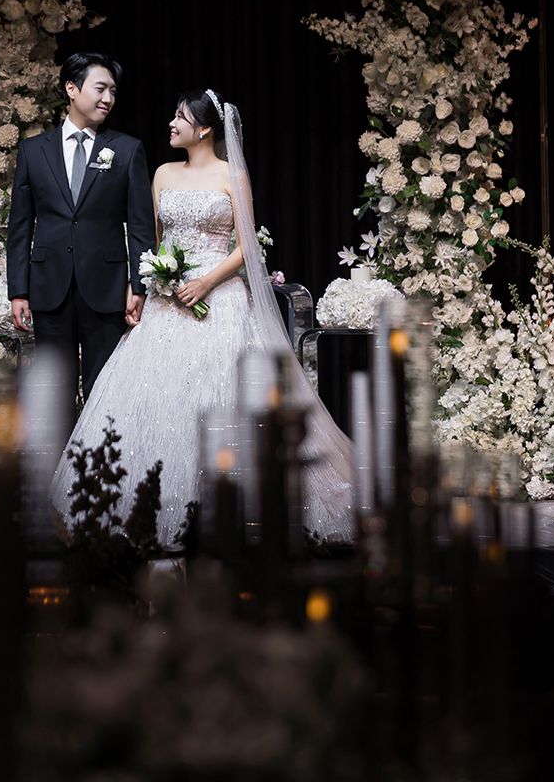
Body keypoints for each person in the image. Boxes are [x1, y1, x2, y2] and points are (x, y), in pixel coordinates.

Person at [50, 87, 354, 546]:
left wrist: (205, 283)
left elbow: (246, 247)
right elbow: (152, 240)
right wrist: (153, 280)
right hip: (166, 302)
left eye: (180, 117)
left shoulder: (232, 175)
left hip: (221, 298)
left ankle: (229, 513)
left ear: (205, 128)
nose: (171, 123)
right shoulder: (163, 174)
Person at [6, 52, 156, 417]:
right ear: (72, 89)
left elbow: (140, 226)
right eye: (100, 88)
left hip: (106, 288)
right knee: (52, 396)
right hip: (49, 288)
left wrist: (139, 286)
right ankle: (59, 457)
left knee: (104, 392)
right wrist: (18, 291)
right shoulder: (33, 151)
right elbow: (20, 226)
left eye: (113, 91)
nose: (108, 98)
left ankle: (100, 455)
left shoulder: (126, 149)